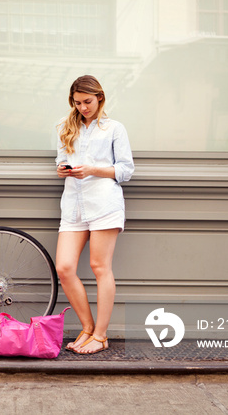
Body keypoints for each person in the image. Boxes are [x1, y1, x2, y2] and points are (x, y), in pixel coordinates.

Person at [55, 75, 134, 355]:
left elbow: (125, 170)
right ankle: (87, 328)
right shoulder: (67, 127)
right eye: (77, 103)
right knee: (64, 268)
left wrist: (92, 169)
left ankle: (101, 335)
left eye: (87, 101)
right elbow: (59, 159)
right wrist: (64, 168)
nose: (83, 108)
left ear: (99, 97)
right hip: (73, 205)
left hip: (104, 204)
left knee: (101, 268)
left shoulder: (114, 128)